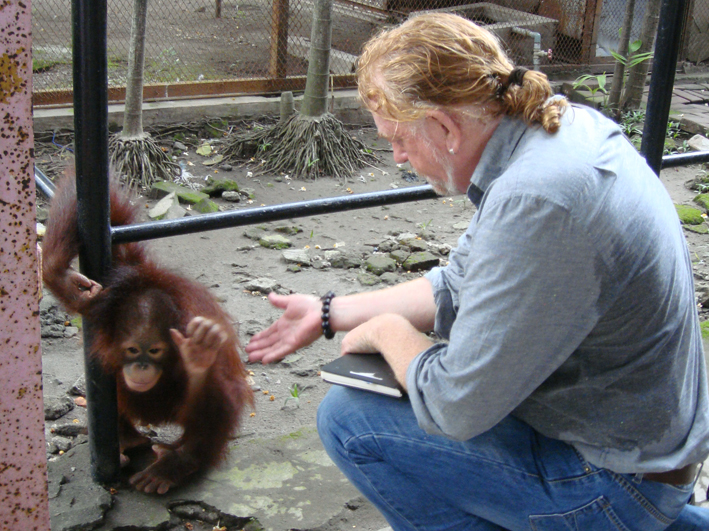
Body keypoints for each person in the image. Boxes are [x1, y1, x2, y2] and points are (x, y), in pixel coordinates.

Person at [245, 12, 709, 530]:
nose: (397, 157)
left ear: (444, 127)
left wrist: (389, 331)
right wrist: (331, 312)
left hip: (617, 483)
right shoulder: (553, 130)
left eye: (398, 139)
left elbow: (454, 406)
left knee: (350, 420)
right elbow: (461, 283)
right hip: (647, 448)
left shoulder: (538, 199)